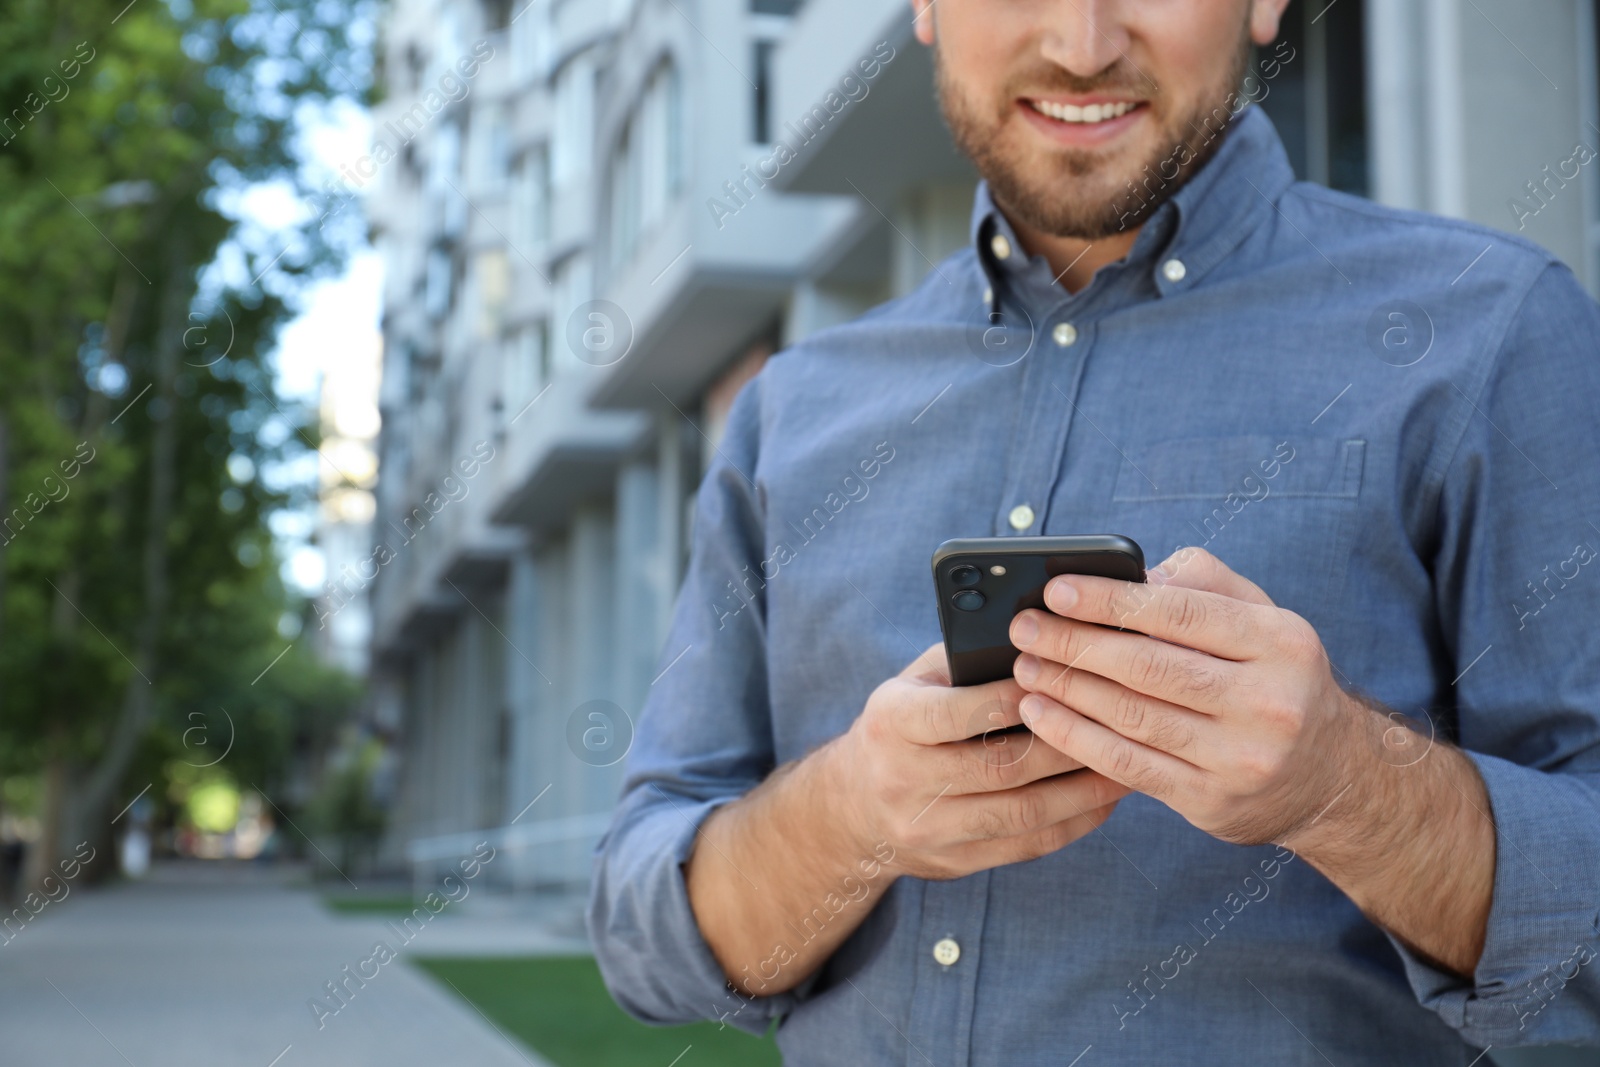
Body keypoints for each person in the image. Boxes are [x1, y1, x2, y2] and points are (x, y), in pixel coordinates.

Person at [587, 0, 1600, 1062]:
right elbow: (638, 934)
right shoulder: (791, 414)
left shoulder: (1495, 332)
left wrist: (1345, 786)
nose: (1081, 46)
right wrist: (845, 814)